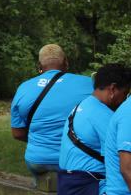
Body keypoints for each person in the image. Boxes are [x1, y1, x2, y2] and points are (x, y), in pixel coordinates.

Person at [58, 64, 131, 195]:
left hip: (67, 184)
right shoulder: (104, 116)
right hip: (87, 189)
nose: (124, 99)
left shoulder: (82, 106)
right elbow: (124, 162)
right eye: (125, 93)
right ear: (112, 89)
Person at [10, 43, 93, 179]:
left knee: (42, 184)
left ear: (39, 66)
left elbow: (17, 133)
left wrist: (43, 142)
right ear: (66, 62)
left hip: (37, 160)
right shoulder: (88, 83)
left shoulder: (23, 88)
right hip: (76, 159)